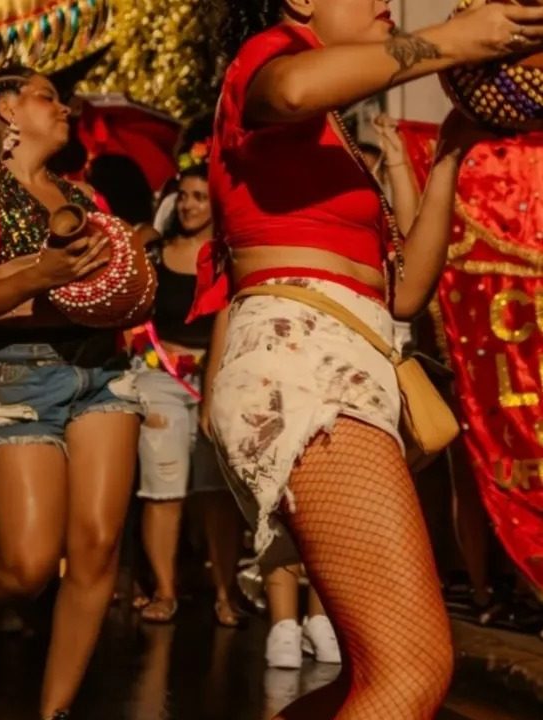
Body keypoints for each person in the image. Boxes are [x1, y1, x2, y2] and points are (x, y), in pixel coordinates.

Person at [200, 1, 543, 717]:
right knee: (412, 672)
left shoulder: (328, 134)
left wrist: (449, 152)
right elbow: (292, 88)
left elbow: (407, 292)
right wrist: (451, 41)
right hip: (302, 355)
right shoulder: (270, 58)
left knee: (367, 679)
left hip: (344, 351)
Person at [0, 66, 141, 720]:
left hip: (103, 367)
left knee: (97, 549)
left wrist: (130, 266)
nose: (64, 107)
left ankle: (54, 711)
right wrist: (39, 273)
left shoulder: (84, 195)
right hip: (20, 372)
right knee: (28, 568)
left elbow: (111, 281)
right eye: (48, 97)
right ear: (8, 110)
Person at [129, 161, 245, 628]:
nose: (190, 205)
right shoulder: (156, 251)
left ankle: (226, 592)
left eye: (200, 197)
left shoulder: (229, 259)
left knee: (216, 491)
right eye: (185, 196)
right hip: (159, 376)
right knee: (163, 487)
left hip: (218, 381)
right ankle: (164, 589)